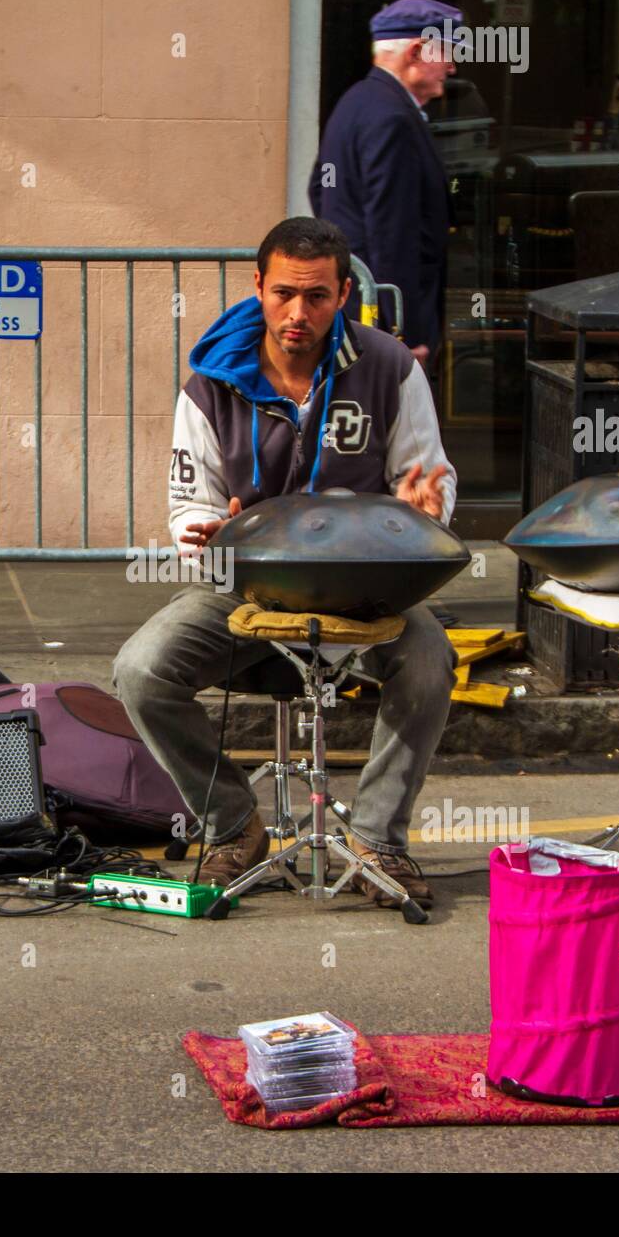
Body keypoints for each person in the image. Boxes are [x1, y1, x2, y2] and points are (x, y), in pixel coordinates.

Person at [112, 217, 458, 907]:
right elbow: (187, 513)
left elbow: (430, 480)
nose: (298, 314)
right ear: (258, 287)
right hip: (254, 591)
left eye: (318, 297)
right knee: (141, 671)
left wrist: (426, 506)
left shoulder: (391, 368)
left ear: (344, 295)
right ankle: (234, 826)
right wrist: (214, 538)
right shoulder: (208, 386)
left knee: (430, 660)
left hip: (366, 588)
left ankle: (378, 837)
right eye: (284, 294)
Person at [309, 0, 459, 367]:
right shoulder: (393, 116)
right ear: (417, 50)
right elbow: (393, 231)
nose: (452, 67)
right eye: (448, 52)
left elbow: (319, 189)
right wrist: (400, 334)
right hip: (382, 326)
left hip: (360, 313)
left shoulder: (357, 101)